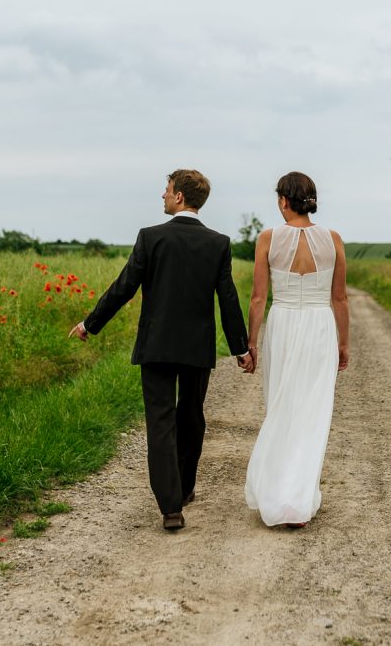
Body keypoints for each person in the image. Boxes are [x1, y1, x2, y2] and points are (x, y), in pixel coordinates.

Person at [69, 169, 254, 531]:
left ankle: (171, 507)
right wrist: (239, 348)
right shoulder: (218, 243)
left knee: (160, 421)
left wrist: (90, 323)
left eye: (167, 191)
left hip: (156, 346)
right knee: (191, 417)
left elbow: (124, 287)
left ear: (180, 196)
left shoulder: (151, 238)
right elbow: (228, 299)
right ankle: (184, 489)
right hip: (197, 348)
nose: (163, 196)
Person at [243, 171, 350, 528]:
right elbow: (340, 298)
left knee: (281, 406)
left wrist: (251, 342)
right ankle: (299, 496)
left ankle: (280, 492)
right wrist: (343, 342)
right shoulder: (333, 239)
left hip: (284, 324)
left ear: (283, 201)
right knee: (312, 413)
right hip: (320, 325)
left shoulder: (268, 239)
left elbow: (259, 298)